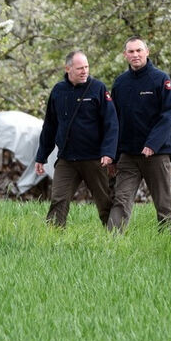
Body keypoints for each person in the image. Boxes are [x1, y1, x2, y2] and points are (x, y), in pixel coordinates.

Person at [34, 50, 118, 228]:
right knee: (58, 200)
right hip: (67, 159)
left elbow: (111, 124)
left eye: (86, 67)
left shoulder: (98, 88)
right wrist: (41, 156)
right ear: (68, 68)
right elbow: (49, 125)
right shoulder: (58, 90)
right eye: (80, 68)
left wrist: (109, 152)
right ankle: (53, 238)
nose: (84, 71)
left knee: (104, 202)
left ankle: (115, 238)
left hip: (94, 158)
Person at [110, 36, 171, 232]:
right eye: (131, 51)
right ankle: (111, 242)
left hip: (156, 154)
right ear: (125, 55)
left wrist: (152, 144)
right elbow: (114, 122)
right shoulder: (120, 83)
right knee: (121, 200)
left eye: (139, 50)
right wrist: (113, 156)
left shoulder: (160, 79)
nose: (135, 55)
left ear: (147, 52)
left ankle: (168, 243)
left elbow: (169, 115)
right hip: (128, 155)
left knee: (163, 203)